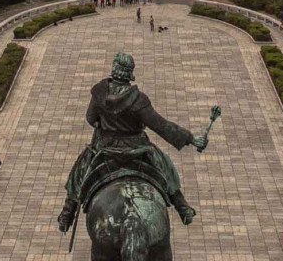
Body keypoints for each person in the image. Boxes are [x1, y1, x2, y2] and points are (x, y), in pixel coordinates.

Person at [58, 52, 205, 232]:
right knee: (164, 165)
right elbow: (161, 126)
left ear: (114, 69)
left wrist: (103, 125)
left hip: (105, 148)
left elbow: (90, 118)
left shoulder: (99, 93)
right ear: (129, 73)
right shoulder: (138, 100)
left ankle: (67, 213)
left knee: (80, 169)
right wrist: (191, 138)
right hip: (137, 149)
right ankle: (182, 206)